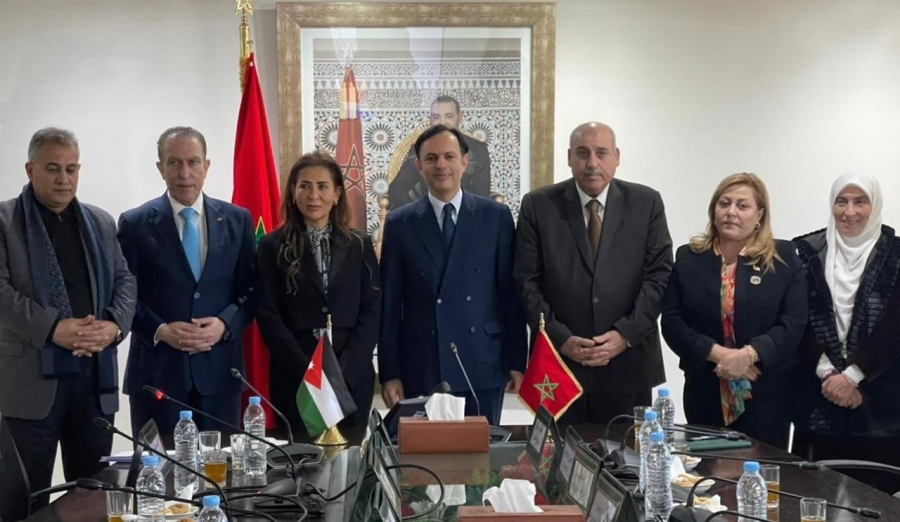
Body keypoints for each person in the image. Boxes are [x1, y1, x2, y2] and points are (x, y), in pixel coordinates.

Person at [0, 128, 136, 508]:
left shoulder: (100, 222)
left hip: (93, 381)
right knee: (22, 499)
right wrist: (52, 329)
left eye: (71, 169)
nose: (64, 179)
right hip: (30, 384)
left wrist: (114, 325)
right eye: (53, 169)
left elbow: (125, 280)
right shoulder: (4, 221)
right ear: (30, 170)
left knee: (92, 496)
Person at [514, 122, 672, 424]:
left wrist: (625, 334)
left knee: (626, 453)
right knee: (556, 453)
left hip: (628, 364)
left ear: (617, 156)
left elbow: (659, 276)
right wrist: (561, 338)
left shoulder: (646, 202)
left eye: (601, 153)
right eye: (583, 153)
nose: (592, 163)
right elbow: (526, 282)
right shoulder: (538, 205)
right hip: (559, 367)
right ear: (569, 157)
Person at [378, 124, 526, 425]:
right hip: (422, 363)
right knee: (426, 452)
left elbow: (509, 296)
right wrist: (390, 372)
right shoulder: (400, 223)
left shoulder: (496, 217)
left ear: (464, 162)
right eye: (431, 158)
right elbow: (389, 305)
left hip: (482, 361)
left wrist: (516, 360)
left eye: (449, 156)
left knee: (482, 452)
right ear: (419, 166)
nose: (441, 165)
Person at [118, 126, 257, 437]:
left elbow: (252, 289)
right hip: (158, 376)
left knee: (222, 466)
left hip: (219, 376)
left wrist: (224, 325)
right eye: (174, 163)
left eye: (193, 162)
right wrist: (160, 330)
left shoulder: (237, 220)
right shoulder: (135, 223)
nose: (184, 173)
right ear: (160, 168)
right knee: (159, 466)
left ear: (206, 166)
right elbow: (124, 296)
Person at [661, 173, 807, 449]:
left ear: (759, 215)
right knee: (705, 471)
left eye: (742, 206)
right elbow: (672, 322)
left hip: (767, 394)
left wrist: (749, 355)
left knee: (762, 469)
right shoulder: (689, 258)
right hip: (705, 389)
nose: (731, 212)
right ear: (714, 210)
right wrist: (719, 354)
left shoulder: (784, 258)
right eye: (724, 203)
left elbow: (793, 323)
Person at [257, 151, 381, 432]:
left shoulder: (359, 245)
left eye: (322, 186)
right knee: (300, 456)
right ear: (293, 192)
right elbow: (268, 315)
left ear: (336, 194)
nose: (314, 196)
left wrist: (342, 375)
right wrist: (308, 373)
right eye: (305, 186)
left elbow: (372, 310)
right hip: (295, 380)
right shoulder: (271, 246)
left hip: (351, 379)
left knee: (349, 456)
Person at [792, 174, 900, 484]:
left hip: (880, 410)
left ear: (874, 205)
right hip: (819, 402)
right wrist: (828, 373)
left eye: (860, 202)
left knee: (879, 499)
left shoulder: (896, 254)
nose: (849, 212)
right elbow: (797, 318)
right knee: (813, 498)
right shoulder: (805, 252)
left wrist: (853, 376)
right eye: (842, 201)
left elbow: (894, 325)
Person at [387, 95, 492, 209]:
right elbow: (397, 189)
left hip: (465, 213)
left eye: (449, 116)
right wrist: (417, 212)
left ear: (459, 118)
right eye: (436, 117)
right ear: (430, 120)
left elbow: (482, 193)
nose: (442, 122)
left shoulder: (478, 149)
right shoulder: (420, 148)